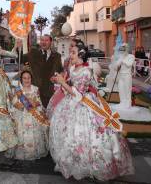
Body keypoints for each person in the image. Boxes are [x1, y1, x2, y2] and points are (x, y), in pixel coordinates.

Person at [48, 44, 134, 181]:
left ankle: (90, 163)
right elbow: (70, 86)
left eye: (73, 53)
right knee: (66, 131)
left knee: (85, 133)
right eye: (70, 53)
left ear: (81, 56)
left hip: (84, 104)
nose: (71, 55)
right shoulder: (72, 68)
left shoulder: (87, 71)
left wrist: (63, 83)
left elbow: (79, 94)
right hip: (71, 102)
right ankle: (71, 160)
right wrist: (61, 82)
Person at [6, 70, 48, 160]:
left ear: (31, 79)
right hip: (21, 113)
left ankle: (34, 152)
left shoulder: (35, 89)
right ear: (21, 79)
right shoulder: (17, 90)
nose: (27, 80)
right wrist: (22, 106)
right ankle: (22, 152)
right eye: (24, 78)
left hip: (33, 113)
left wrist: (34, 103)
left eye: (28, 78)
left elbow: (39, 102)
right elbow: (14, 103)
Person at [16, 34, 63, 107]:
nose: (44, 42)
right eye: (42, 40)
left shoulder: (57, 56)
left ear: (51, 42)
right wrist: (19, 48)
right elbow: (21, 59)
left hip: (49, 92)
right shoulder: (33, 53)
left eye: (46, 40)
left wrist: (57, 78)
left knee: (47, 116)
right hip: (35, 92)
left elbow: (60, 71)